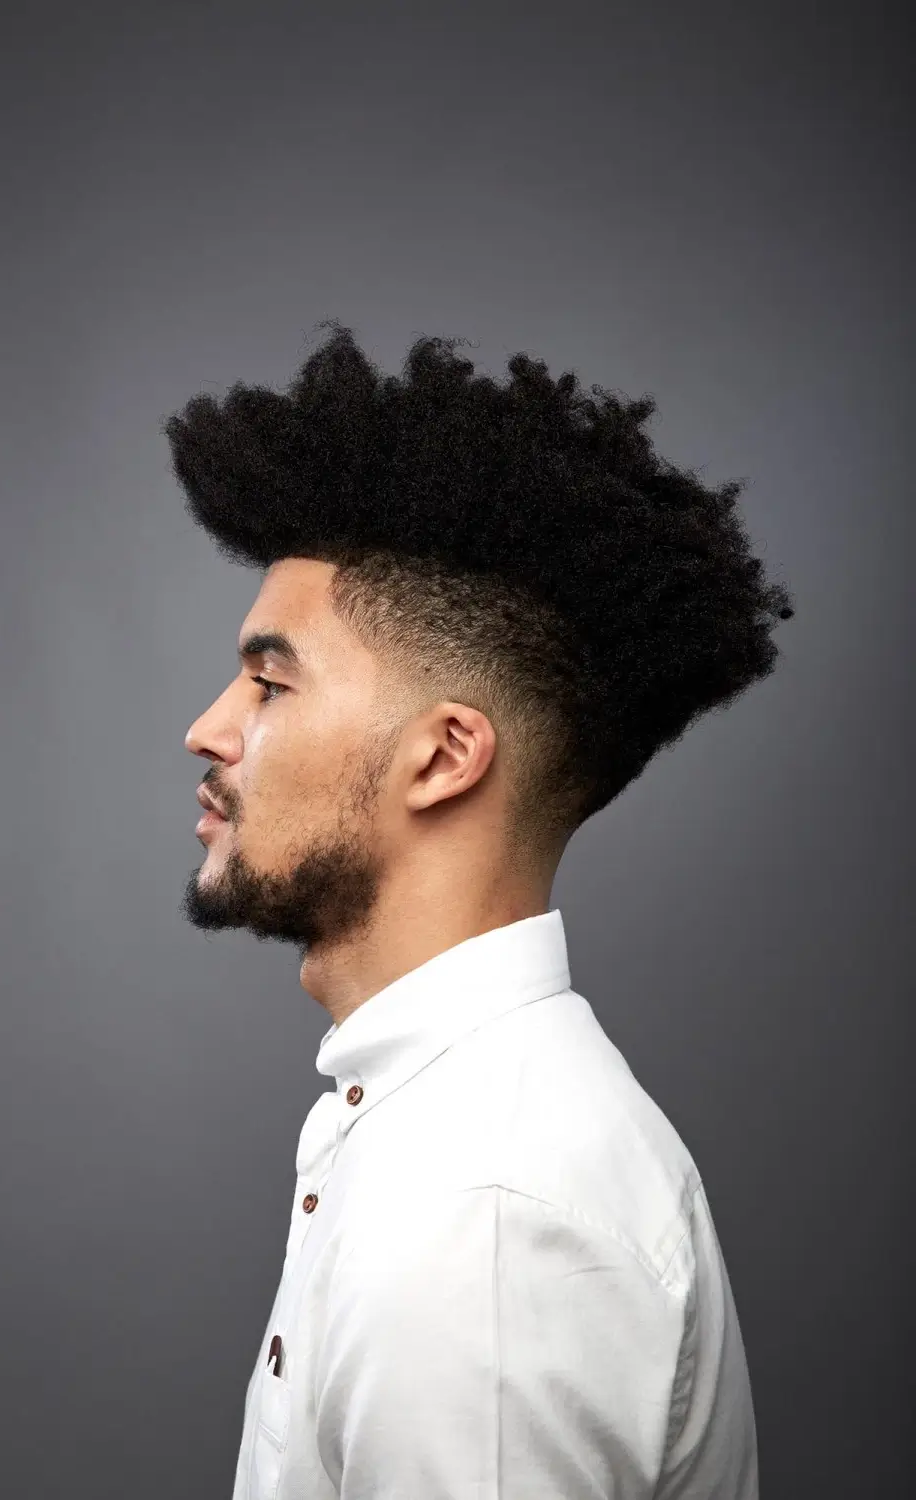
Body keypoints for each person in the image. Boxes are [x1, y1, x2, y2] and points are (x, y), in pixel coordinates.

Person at [162, 319, 794, 1499]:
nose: (211, 727)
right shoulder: (434, 1128)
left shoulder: (480, 1221)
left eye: (268, 679)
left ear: (444, 755)